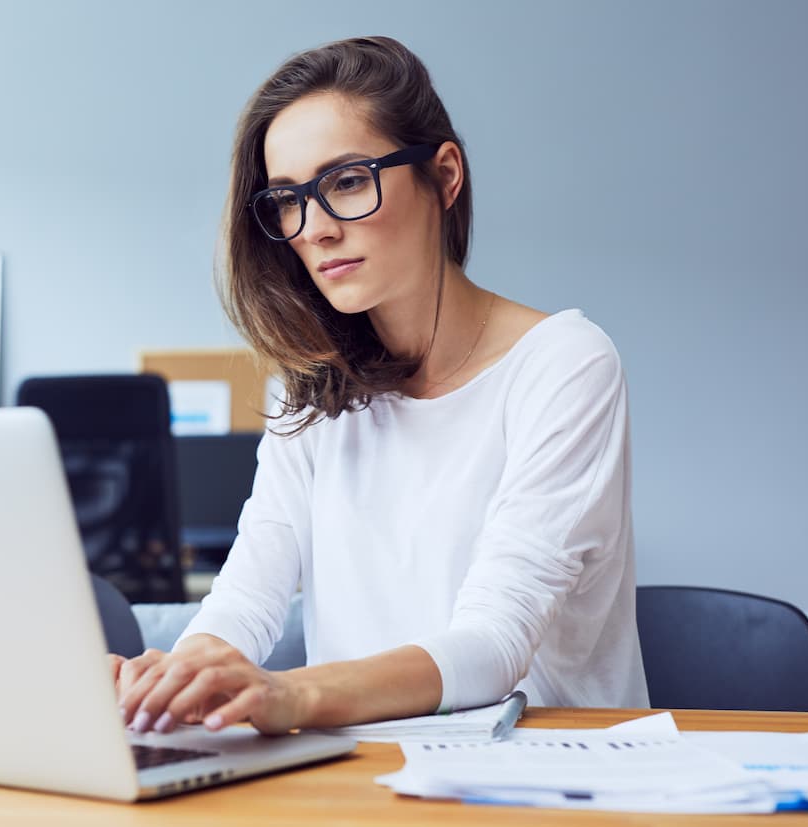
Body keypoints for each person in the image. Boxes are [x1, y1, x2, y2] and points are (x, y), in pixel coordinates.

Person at [114, 35, 649, 736]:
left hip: (544, 776)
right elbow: (246, 596)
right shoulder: (307, 387)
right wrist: (176, 684)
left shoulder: (565, 365)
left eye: (347, 181)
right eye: (287, 199)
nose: (317, 230)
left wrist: (290, 694)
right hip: (361, 777)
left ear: (445, 175)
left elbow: (493, 645)